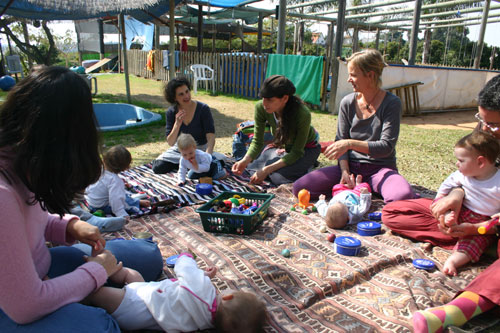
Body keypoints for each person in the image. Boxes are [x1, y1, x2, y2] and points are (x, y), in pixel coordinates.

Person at [0, 66, 163, 332]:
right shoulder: (2, 194)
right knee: (102, 327)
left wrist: (67, 225)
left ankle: (81, 300)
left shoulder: (23, 160)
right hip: (13, 308)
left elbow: (29, 221)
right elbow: (25, 305)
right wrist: (96, 272)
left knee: (148, 256)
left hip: (43, 269)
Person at [380, 74, 500, 333]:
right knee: (395, 213)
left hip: (490, 224)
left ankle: (456, 311)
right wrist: (455, 196)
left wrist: (479, 229)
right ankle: (476, 247)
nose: (485, 130)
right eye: (482, 120)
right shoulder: (484, 136)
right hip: (471, 216)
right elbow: (464, 177)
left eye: (493, 124)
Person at [293, 49, 416, 203]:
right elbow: (341, 141)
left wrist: (349, 144)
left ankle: (369, 187)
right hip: (350, 168)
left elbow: (386, 147)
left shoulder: (391, 103)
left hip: (380, 169)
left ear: (370, 75)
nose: (348, 79)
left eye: (353, 75)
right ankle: (359, 187)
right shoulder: (348, 102)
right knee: (300, 188)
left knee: (401, 196)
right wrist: (345, 171)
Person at [87, 252, 268, 332]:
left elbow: (186, 272)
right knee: (134, 277)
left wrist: (186, 257)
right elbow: (188, 293)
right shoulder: (206, 322)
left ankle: (89, 280)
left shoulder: (203, 289)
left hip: (135, 303)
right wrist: (204, 275)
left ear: (228, 296)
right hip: (142, 314)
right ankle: (115, 275)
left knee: (97, 292)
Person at [231, 75, 321, 185]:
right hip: (285, 148)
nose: (264, 103)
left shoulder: (302, 114)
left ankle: (309, 164)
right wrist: (245, 160)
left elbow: (297, 152)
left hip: (306, 149)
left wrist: (267, 169)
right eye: (263, 98)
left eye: (269, 100)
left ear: (285, 98)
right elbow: (257, 142)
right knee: (251, 169)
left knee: (277, 177)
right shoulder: (261, 108)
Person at [435, 132, 500, 276]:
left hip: (482, 225)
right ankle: (449, 232)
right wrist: (445, 213)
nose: (457, 164)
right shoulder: (460, 175)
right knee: (401, 212)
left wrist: (475, 228)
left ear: (480, 162)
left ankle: (453, 261)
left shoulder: (497, 182)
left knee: (472, 244)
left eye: (461, 160)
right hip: (458, 215)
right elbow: (442, 193)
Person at [152, 76, 216, 174]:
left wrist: (208, 156)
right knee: (157, 167)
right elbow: (170, 142)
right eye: (181, 94)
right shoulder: (171, 112)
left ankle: (189, 166)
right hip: (180, 151)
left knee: (207, 167)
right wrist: (177, 124)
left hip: (199, 150)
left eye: (187, 91)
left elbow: (211, 137)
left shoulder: (203, 109)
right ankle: (187, 165)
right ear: (174, 98)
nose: (186, 96)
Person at [85, 145, 151, 219]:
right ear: (126, 167)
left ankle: (136, 201)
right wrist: (122, 214)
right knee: (124, 200)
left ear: (104, 160)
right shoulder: (114, 181)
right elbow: (115, 201)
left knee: (121, 194)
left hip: (90, 203)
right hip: (103, 207)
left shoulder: (97, 170)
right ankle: (136, 203)